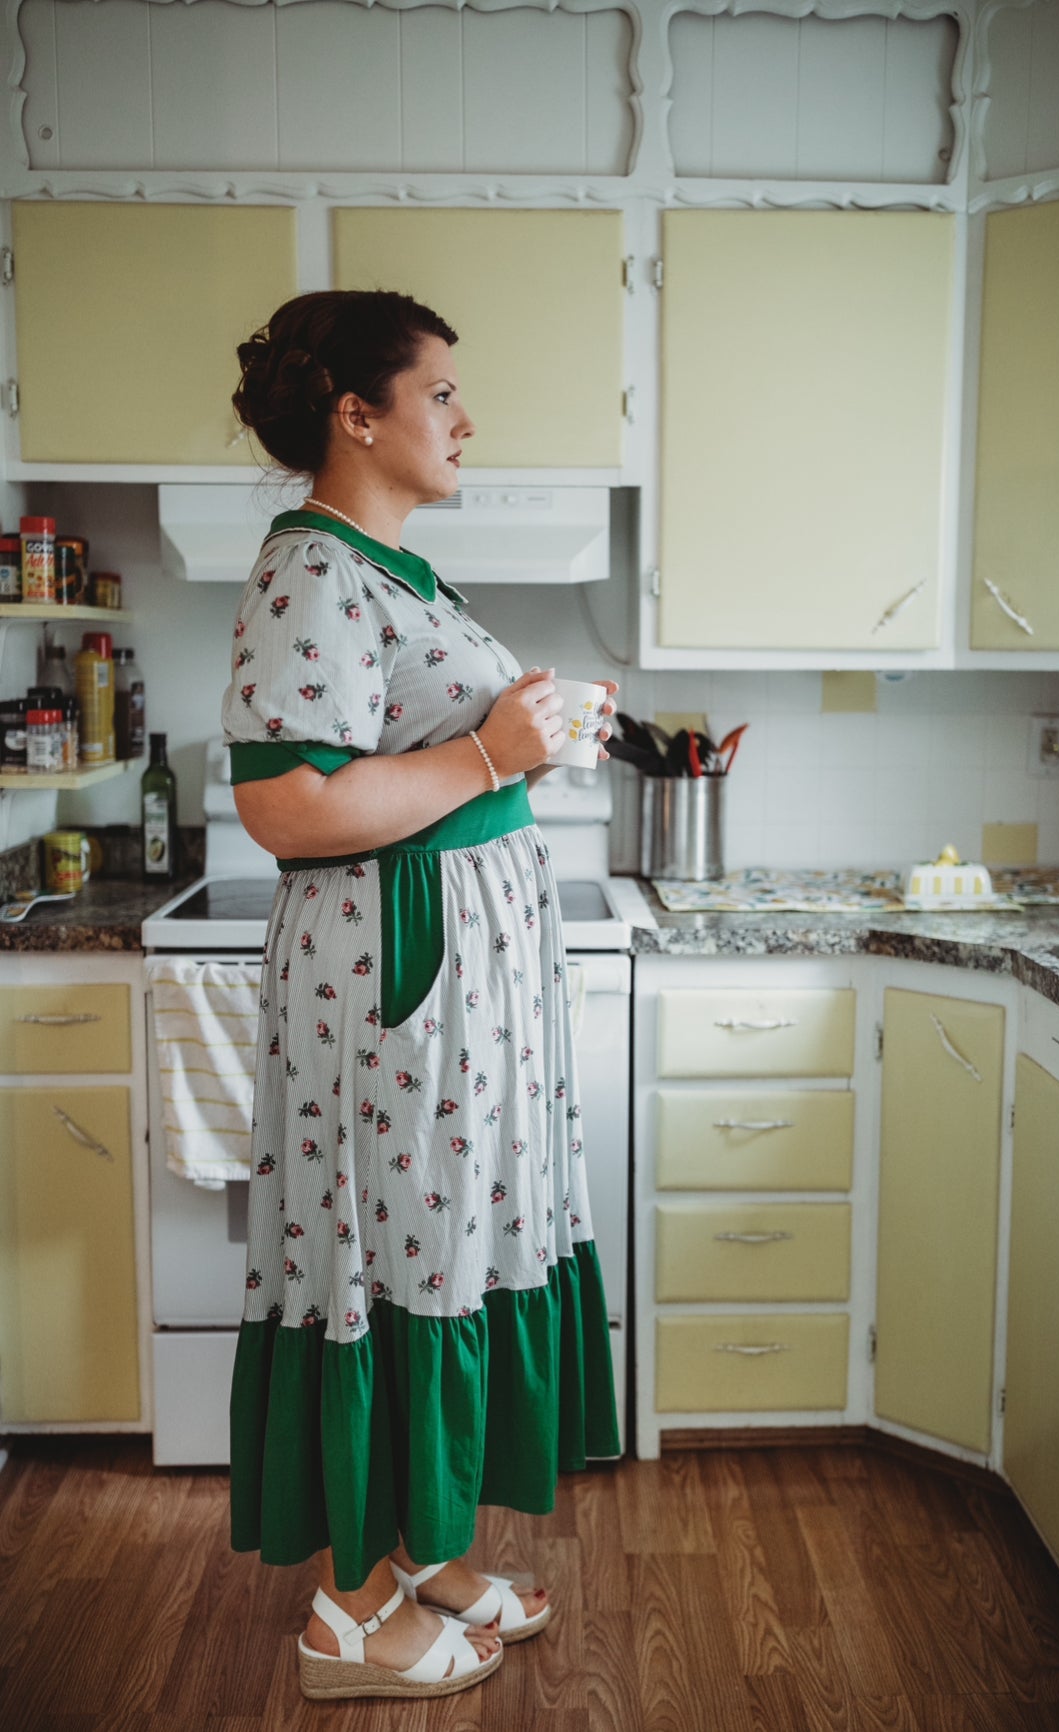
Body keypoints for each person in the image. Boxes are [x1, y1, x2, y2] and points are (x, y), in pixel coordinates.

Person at [222, 288, 620, 1701]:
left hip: (457, 995)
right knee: (384, 1261)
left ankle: (422, 1551)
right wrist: (496, 754)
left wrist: (534, 734)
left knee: (442, 1247)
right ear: (358, 413)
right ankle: (346, 1613)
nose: (465, 419)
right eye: (442, 393)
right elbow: (289, 808)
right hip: (398, 992)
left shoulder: (393, 569)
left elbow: (437, 749)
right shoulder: (309, 572)